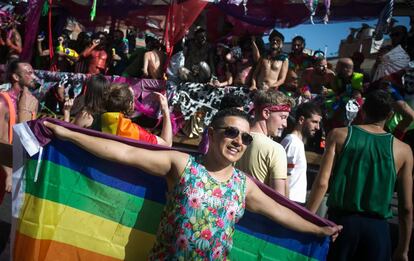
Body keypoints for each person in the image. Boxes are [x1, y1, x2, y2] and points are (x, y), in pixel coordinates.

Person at [44, 108, 341, 260]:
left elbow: (280, 212)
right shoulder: (182, 165)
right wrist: (68, 134)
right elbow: (124, 152)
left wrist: (319, 229)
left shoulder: (243, 185)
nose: (238, 141)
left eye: (245, 137)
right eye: (231, 133)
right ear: (211, 134)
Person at [306, 90, 413, 261]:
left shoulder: (339, 135)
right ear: (390, 114)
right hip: (378, 232)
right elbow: (406, 208)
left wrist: (305, 222)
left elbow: (321, 184)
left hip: (340, 226)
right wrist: (403, 249)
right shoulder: (403, 150)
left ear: (362, 110)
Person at [236, 90, 293, 196]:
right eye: (283, 117)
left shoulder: (235, 139)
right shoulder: (276, 149)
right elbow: (279, 199)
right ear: (266, 113)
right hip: (259, 211)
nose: (285, 124)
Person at [0, 61, 38, 195]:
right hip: (4, 167)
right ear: (16, 77)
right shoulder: (3, 100)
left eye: (34, 72)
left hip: (21, 166)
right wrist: (9, 173)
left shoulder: (31, 102)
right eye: (29, 73)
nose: (34, 76)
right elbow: (1, 139)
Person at [98, 83, 172, 146]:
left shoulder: (99, 118)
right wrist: (165, 110)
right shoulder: (131, 131)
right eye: (134, 99)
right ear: (130, 104)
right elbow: (167, 144)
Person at [281, 102, 322, 204]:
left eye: (318, 123)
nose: (318, 127)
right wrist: (285, 205)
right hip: (290, 202)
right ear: (301, 120)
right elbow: (284, 177)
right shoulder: (293, 143)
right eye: (314, 122)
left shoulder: (296, 142)